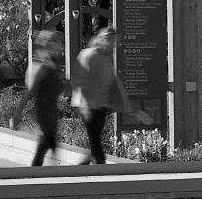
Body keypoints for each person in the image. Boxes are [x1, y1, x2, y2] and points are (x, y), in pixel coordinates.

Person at [69, 27, 130, 165]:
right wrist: (83, 106)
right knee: (96, 144)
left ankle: (79, 170)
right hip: (88, 106)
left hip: (101, 106)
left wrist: (117, 103)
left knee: (95, 142)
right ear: (102, 40)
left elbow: (112, 82)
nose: (114, 44)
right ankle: (101, 172)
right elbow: (79, 81)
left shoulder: (106, 58)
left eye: (114, 41)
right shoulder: (88, 55)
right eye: (111, 40)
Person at [12, 30, 65, 167]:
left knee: (49, 143)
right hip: (44, 111)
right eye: (54, 42)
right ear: (46, 46)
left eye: (58, 42)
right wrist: (17, 116)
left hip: (52, 110)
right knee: (48, 142)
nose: (59, 45)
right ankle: (36, 175)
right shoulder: (40, 67)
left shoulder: (53, 66)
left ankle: (39, 174)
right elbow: (27, 92)